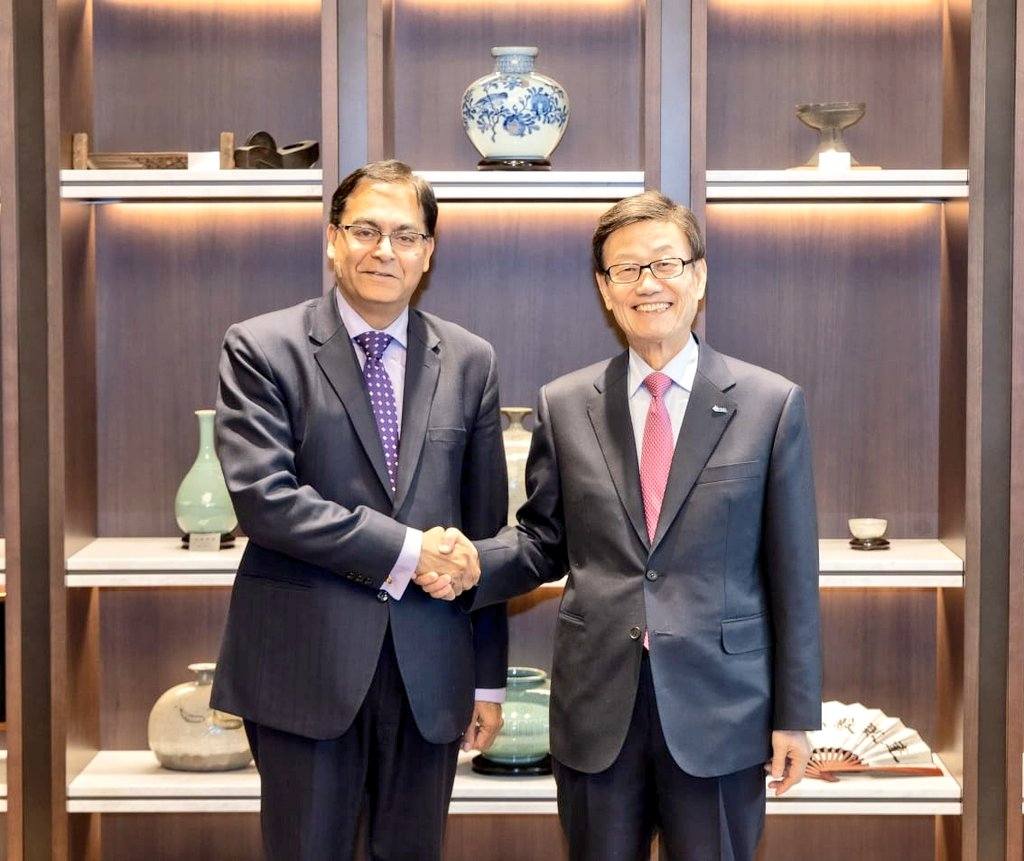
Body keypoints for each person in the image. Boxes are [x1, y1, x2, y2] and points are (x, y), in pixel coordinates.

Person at [421, 190, 822, 860]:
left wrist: (795, 713)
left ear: (698, 275)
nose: (648, 284)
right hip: (597, 708)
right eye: (626, 270)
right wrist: (470, 563)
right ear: (606, 291)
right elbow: (544, 542)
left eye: (665, 263)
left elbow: (793, 574)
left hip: (722, 709)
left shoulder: (770, 404)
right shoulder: (564, 403)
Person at [210, 160, 507, 861]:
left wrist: (488, 678)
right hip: (304, 668)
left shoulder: (470, 360)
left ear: (428, 252)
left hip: (430, 672)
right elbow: (265, 500)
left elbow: (484, 534)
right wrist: (408, 550)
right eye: (365, 230)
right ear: (332, 239)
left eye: (405, 235)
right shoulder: (261, 347)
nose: (384, 250)